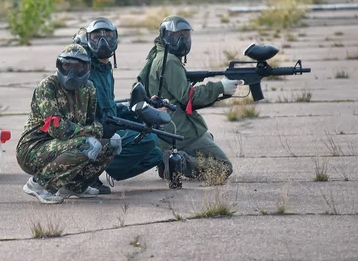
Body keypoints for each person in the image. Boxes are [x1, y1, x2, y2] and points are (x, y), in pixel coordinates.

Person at [137, 15, 241, 184]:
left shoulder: (161, 55)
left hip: (170, 127)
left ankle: (171, 161)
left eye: (186, 35)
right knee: (223, 167)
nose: (183, 41)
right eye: (178, 36)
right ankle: (177, 162)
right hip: (179, 131)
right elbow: (188, 96)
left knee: (208, 137)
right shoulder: (169, 61)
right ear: (165, 36)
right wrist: (220, 87)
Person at [16, 44, 121, 204]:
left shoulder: (88, 89)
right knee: (88, 145)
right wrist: (98, 129)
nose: (71, 72)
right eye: (66, 66)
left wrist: (105, 130)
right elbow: (57, 129)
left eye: (78, 66)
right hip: (32, 149)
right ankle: (39, 184)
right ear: (59, 65)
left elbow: (87, 124)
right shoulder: (48, 86)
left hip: (64, 145)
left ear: (86, 67)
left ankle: (75, 186)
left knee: (113, 144)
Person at [72, 18, 167, 194]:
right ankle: (87, 176)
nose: (102, 41)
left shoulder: (105, 68)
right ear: (87, 39)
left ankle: (106, 167)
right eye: (96, 36)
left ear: (115, 38)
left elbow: (111, 108)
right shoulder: (87, 70)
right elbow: (99, 115)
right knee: (148, 139)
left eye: (107, 35)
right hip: (90, 132)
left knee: (156, 151)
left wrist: (144, 108)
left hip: (105, 127)